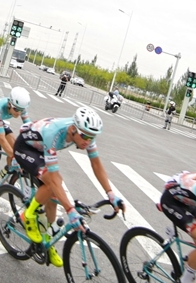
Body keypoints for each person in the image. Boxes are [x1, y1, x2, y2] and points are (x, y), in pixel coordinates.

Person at [12, 107, 124, 267]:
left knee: (54, 198)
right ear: (73, 129)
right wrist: (70, 210)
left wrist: (110, 193)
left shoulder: (85, 134)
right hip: (25, 147)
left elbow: (96, 164)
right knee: (53, 183)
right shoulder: (54, 134)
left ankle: (47, 240)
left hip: (41, 149)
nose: (88, 141)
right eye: (85, 136)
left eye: (92, 137)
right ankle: (28, 215)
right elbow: (54, 179)